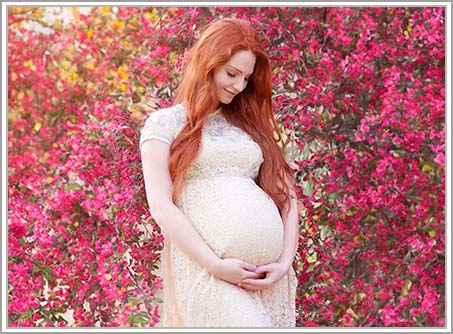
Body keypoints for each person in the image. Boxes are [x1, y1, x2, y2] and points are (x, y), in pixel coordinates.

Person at [139, 17, 299, 328]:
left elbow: (288, 198)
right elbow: (161, 206)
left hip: (267, 279)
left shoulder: (247, 126)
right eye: (232, 74)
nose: (239, 86)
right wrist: (215, 265)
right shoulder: (165, 124)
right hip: (208, 273)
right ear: (207, 64)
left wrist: (283, 264)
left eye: (246, 78)